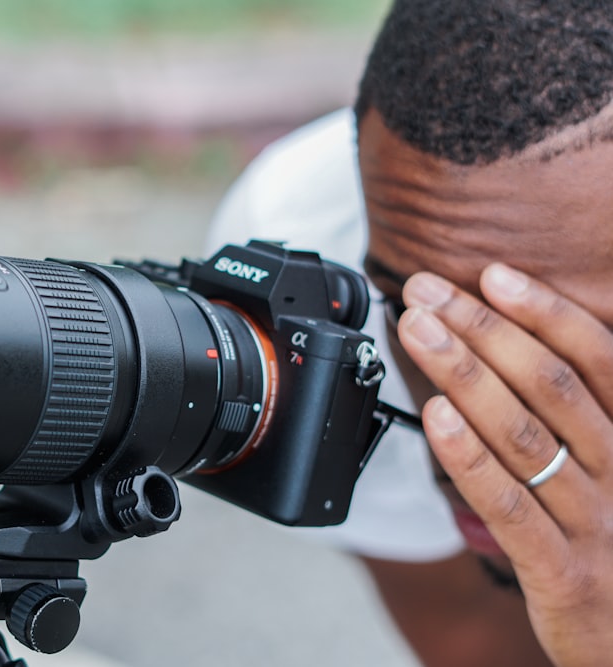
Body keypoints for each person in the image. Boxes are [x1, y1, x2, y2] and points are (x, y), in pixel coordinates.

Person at [206, 1, 613, 665]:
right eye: (409, 307)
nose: (469, 430)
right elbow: (478, 642)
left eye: (562, 335)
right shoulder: (308, 267)